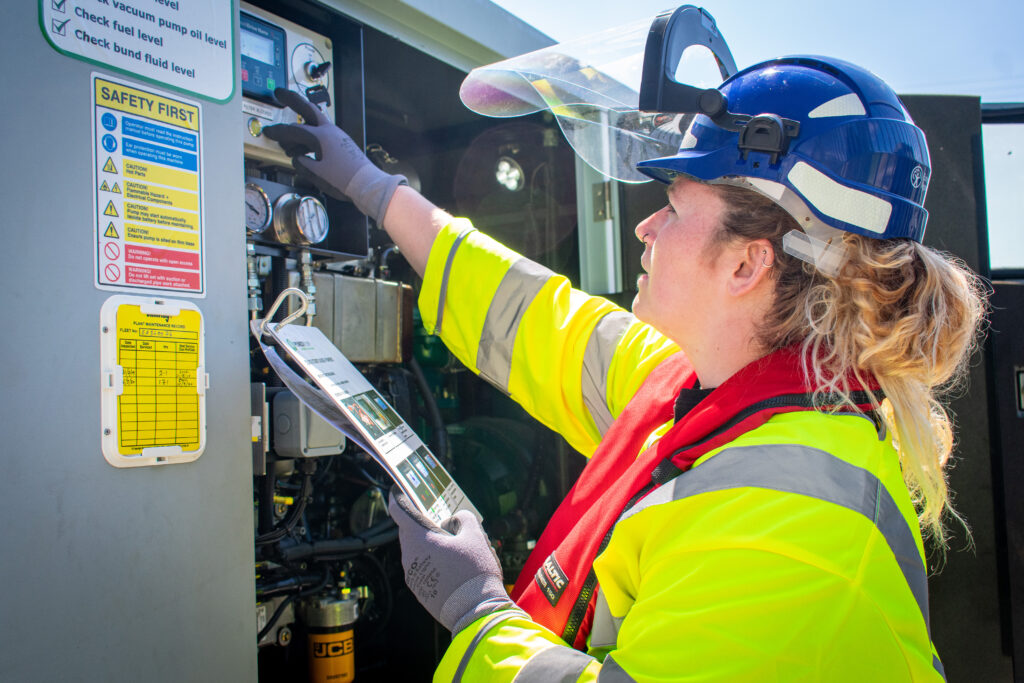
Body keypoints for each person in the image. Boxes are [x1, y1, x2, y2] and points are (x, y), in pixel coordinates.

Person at [264, 53, 986, 682]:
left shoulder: (800, 529)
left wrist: (476, 611)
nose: (646, 227)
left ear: (746, 262)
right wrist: (374, 189)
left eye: (672, 206)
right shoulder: (701, 382)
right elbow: (536, 317)